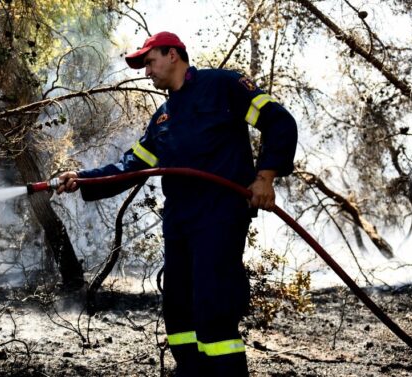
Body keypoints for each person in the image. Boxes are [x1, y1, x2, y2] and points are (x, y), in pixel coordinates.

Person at [56, 31, 297, 376]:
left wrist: (265, 177)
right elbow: (131, 167)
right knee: (179, 310)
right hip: (180, 223)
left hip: (220, 216)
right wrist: (82, 179)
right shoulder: (162, 119)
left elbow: (279, 121)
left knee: (212, 308)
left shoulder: (223, 86)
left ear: (173, 55)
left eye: (149, 62)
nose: (146, 72)